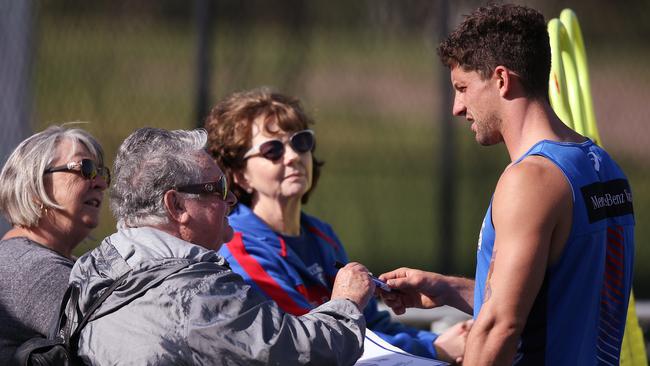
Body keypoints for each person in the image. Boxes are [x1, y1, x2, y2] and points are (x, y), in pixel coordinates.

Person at [379, 4, 635, 365]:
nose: (457, 107)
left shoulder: (531, 180)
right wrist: (449, 288)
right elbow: (563, 302)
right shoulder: (607, 170)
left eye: (463, 87)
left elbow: (500, 326)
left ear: (501, 79)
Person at [204, 87, 472, 364]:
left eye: (301, 142)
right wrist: (436, 348)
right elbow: (303, 339)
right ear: (240, 175)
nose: (293, 156)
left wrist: (445, 341)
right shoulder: (238, 244)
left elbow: (370, 323)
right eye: (272, 150)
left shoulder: (322, 235)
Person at [68, 127, 375, 365]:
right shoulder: (197, 292)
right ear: (176, 205)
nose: (231, 200)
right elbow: (305, 353)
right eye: (219, 188)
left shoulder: (91, 267)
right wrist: (345, 304)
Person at [0, 126, 109, 364]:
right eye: (86, 169)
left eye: (102, 173)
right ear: (35, 189)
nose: (101, 183)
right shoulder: (36, 270)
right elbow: (121, 340)